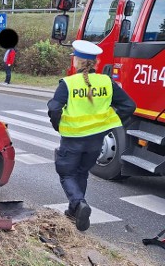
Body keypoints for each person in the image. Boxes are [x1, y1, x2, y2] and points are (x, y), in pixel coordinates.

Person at [47, 40, 136, 232]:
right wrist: (107, 122)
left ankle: (79, 204)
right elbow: (129, 106)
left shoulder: (68, 84)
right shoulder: (106, 82)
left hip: (72, 139)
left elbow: (54, 108)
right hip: (96, 140)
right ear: (95, 63)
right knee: (81, 173)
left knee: (67, 173)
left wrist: (59, 125)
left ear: (77, 61)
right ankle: (74, 212)